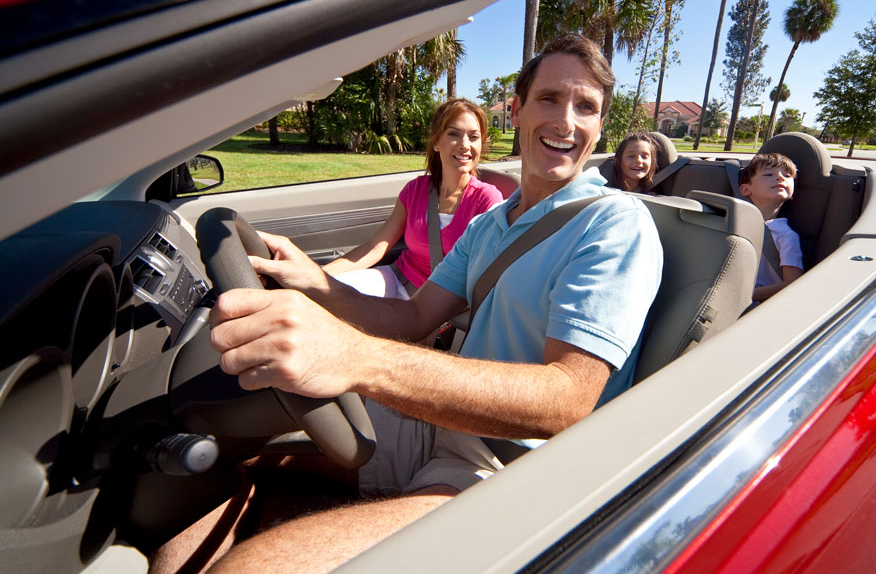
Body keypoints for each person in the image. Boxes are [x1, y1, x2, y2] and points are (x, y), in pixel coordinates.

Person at [170, 34, 662, 573]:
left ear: (600, 126)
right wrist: (314, 282)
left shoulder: (615, 224)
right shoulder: (491, 224)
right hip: (436, 420)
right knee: (220, 466)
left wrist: (354, 358)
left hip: (507, 464)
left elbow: (567, 400)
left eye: (586, 107)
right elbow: (411, 317)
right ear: (517, 110)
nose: (567, 122)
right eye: (549, 99)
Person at [324, 98, 503, 299]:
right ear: (436, 142)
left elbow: (483, 276)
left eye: (473, 137)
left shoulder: (487, 199)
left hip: (440, 303)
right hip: (398, 279)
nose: (464, 145)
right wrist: (320, 276)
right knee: (327, 295)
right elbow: (374, 247)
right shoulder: (415, 190)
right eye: (453, 134)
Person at [738, 152, 804, 302]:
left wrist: (745, 297)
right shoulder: (734, 224)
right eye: (768, 174)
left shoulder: (785, 235)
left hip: (757, 304)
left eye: (787, 176)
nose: (781, 177)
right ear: (746, 189)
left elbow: (792, 283)